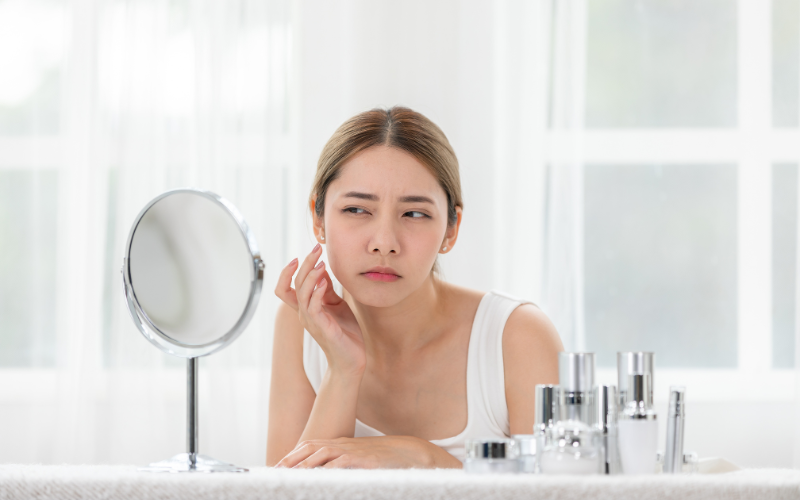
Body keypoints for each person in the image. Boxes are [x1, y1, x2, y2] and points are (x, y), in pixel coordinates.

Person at [266, 107, 563, 469]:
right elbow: (285, 493)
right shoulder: (302, 322)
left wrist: (424, 458)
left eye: (415, 214)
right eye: (357, 209)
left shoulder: (516, 337)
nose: (385, 242)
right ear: (318, 217)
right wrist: (343, 371)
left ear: (451, 230)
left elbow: (557, 493)